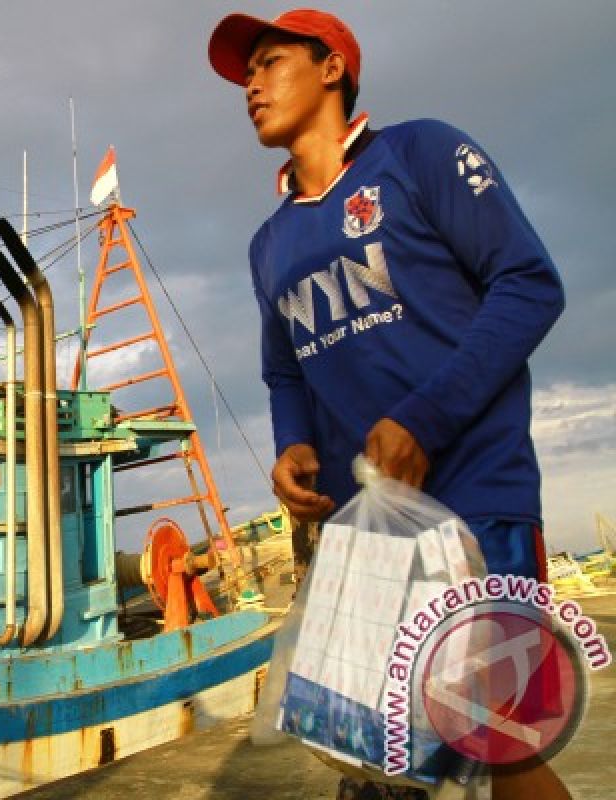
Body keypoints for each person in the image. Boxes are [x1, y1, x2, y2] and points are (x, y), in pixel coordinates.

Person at [206, 9, 568, 800]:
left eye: (269, 62)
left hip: (474, 501)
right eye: (245, 75)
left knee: (499, 745)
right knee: (369, 757)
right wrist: (293, 447)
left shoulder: (420, 153)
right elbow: (285, 373)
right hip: (365, 531)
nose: (251, 85)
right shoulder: (269, 243)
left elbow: (530, 284)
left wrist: (423, 420)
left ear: (331, 67)